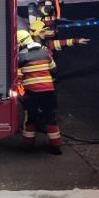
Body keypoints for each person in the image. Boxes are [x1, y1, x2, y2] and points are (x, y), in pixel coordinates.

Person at [16, 24, 88, 156]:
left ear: (21, 43)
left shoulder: (21, 57)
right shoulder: (45, 52)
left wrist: (22, 93)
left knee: (30, 120)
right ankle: (56, 147)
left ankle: (28, 146)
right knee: (50, 119)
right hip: (49, 92)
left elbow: (18, 77)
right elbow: (53, 69)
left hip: (32, 93)